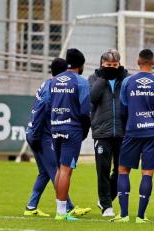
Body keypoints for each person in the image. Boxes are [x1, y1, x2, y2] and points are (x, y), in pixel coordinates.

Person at [24, 58, 90, 218]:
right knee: (57, 170)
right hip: (41, 135)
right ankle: (67, 207)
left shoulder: (48, 84)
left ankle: (31, 206)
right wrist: (35, 136)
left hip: (39, 132)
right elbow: (41, 110)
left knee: (45, 172)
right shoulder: (52, 87)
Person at [111, 49, 154, 223]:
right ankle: (141, 216)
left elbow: (122, 109)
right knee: (147, 173)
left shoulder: (128, 82)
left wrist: (127, 127)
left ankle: (123, 214)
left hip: (133, 130)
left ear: (138, 61)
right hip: (153, 132)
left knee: (123, 171)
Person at [50, 48, 91, 221]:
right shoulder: (81, 82)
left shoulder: (54, 81)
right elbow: (84, 111)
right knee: (66, 170)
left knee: (60, 168)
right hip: (72, 128)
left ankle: (60, 209)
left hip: (55, 126)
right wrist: (85, 129)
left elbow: (49, 103)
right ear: (81, 65)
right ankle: (61, 213)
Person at [88, 49, 129, 217]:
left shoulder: (126, 79)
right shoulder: (93, 78)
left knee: (122, 169)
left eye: (114, 65)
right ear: (101, 64)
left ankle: (107, 197)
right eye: (108, 65)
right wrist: (103, 78)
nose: (111, 67)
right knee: (103, 170)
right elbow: (92, 97)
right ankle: (106, 206)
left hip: (122, 132)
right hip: (102, 132)